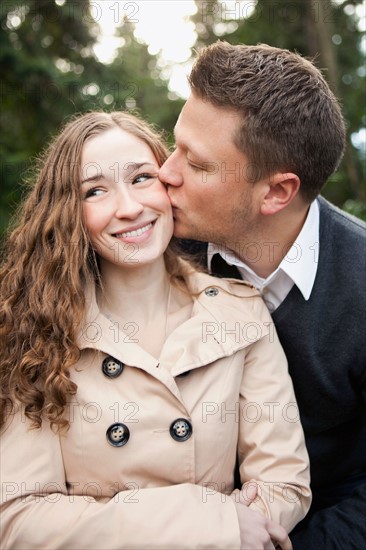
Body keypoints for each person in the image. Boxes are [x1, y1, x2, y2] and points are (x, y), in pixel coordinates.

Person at [0, 111, 310, 550]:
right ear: (69, 212)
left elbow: (284, 483)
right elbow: (18, 516)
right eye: (95, 190)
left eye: (142, 178)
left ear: (170, 184)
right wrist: (206, 524)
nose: (128, 208)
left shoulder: (240, 312)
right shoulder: (34, 329)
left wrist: (240, 530)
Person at [159, 41, 366, 549]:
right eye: (175, 144)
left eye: (198, 165)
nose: (165, 172)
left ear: (276, 192)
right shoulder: (153, 249)